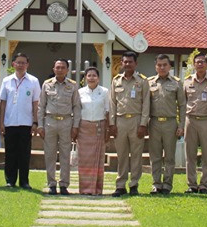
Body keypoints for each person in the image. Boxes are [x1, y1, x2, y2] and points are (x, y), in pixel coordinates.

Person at [109, 51, 150, 196]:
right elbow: (112, 103)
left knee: (136, 155)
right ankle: (120, 185)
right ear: (121, 63)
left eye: (130, 62)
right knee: (122, 155)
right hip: (120, 121)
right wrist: (112, 124)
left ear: (135, 64)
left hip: (136, 121)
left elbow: (146, 104)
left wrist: (143, 124)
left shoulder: (142, 81)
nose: (127, 64)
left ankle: (134, 185)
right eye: (125, 62)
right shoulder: (116, 81)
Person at [37, 58, 80, 194]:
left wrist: (75, 126)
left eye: (62, 67)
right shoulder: (47, 84)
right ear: (53, 69)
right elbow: (41, 106)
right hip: (49, 122)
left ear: (67, 70)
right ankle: (51, 184)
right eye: (57, 67)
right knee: (49, 154)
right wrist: (40, 125)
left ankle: (63, 184)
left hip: (66, 122)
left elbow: (77, 107)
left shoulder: (72, 85)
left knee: (65, 155)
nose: (60, 69)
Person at [0, 52, 40, 189]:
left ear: (27, 65)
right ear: (13, 64)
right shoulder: (6, 81)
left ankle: (24, 181)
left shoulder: (33, 81)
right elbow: (2, 103)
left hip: (26, 123)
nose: (21, 65)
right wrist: (1, 123)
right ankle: (10, 180)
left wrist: (35, 122)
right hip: (9, 122)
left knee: (24, 154)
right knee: (10, 153)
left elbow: (36, 104)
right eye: (18, 62)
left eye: (23, 62)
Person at [147, 54, 185, 194]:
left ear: (169, 66)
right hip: (154, 122)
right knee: (155, 156)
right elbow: (145, 105)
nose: (162, 67)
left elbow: (182, 105)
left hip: (170, 123)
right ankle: (156, 184)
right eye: (159, 65)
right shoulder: (149, 82)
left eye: (165, 65)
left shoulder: (176, 83)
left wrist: (181, 125)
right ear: (155, 66)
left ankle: (167, 184)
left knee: (169, 156)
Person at [183, 53, 207, 194]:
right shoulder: (186, 81)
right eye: (197, 62)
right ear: (193, 64)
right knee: (189, 155)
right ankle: (192, 184)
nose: (200, 64)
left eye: (203, 62)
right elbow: (182, 102)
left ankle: (204, 185)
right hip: (190, 120)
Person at [77, 66, 110, 195]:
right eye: (89, 75)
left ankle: (96, 189)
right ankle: (84, 189)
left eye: (94, 75)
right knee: (84, 159)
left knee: (97, 159)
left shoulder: (105, 92)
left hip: (99, 128)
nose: (91, 78)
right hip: (83, 128)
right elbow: (76, 111)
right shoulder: (79, 92)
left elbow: (107, 110)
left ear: (98, 78)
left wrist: (107, 129)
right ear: (85, 78)